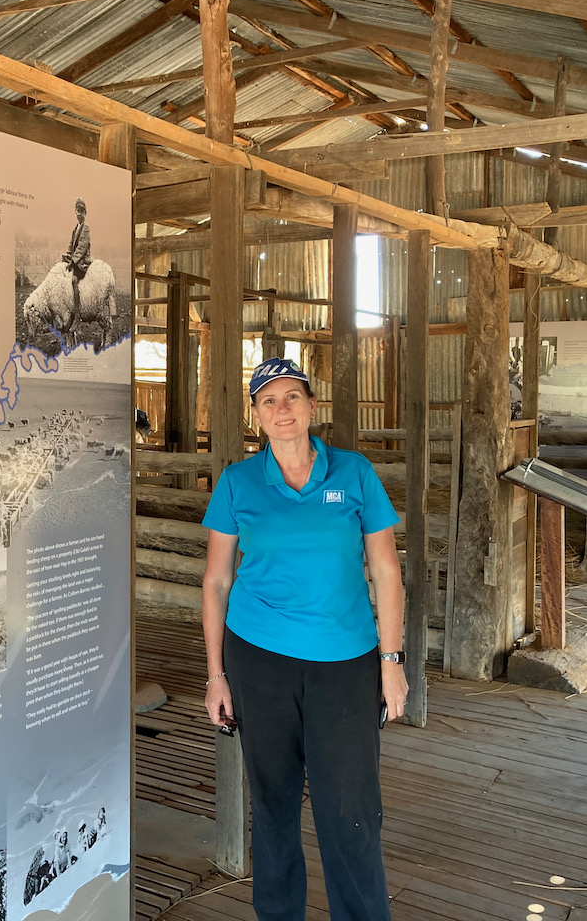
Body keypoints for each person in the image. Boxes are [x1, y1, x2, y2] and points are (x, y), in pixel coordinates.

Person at [201, 357, 407, 921]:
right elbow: (217, 581)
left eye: (292, 396)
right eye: (268, 400)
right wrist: (216, 675)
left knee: (351, 810)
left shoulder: (354, 473)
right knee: (272, 803)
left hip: (345, 663)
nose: (282, 409)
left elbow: (386, 571)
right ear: (256, 415)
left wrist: (392, 661)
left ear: (313, 406)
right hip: (258, 661)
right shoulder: (238, 482)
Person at [60, 198, 91, 323]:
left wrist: (72, 262)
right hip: (74, 260)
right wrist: (67, 255)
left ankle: (77, 315)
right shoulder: (75, 228)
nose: (79, 214)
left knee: (74, 281)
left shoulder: (86, 228)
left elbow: (81, 248)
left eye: (81, 211)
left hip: (82, 262)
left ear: (85, 213)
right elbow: (71, 245)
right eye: (77, 211)